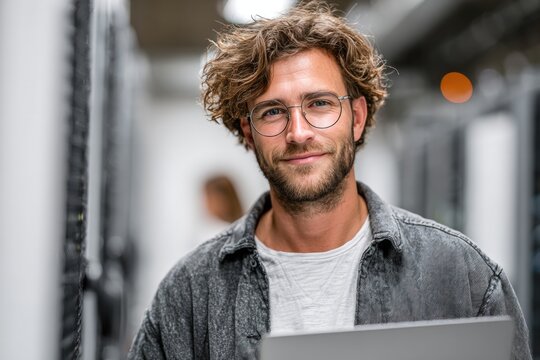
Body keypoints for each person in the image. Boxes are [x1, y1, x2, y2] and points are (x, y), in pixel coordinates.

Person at [128, 1, 532, 359]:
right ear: (248, 134)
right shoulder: (192, 292)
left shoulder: (460, 275)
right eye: (272, 112)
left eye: (319, 104)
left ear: (357, 118)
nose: (298, 132)